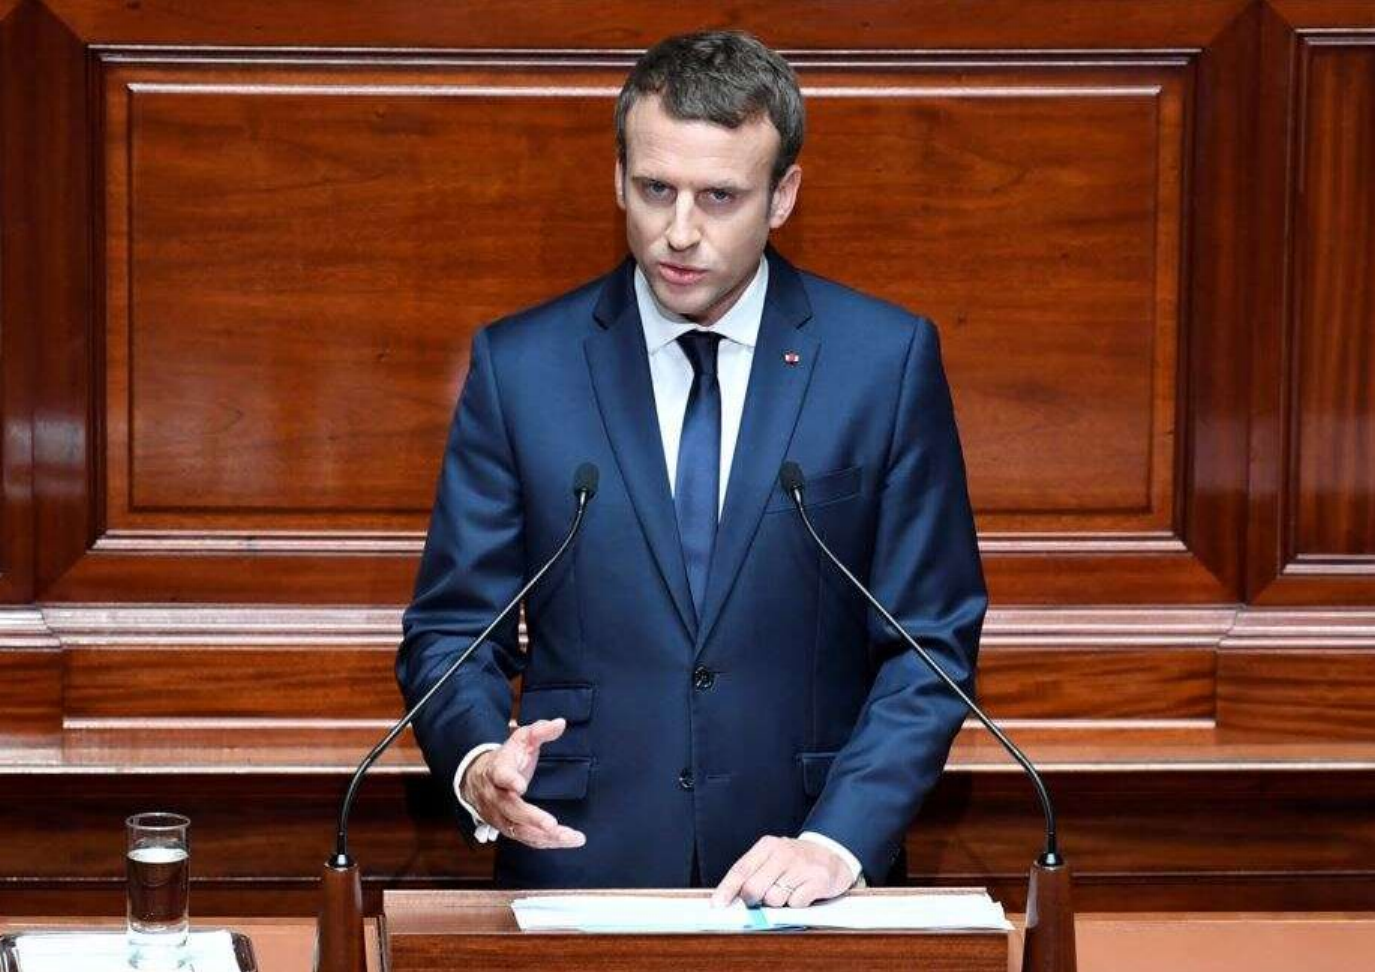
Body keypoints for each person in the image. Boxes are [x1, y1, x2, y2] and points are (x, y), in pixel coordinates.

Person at [396, 29, 986, 908]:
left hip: (808, 875)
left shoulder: (882, 362)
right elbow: (452, 632)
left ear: (781, 196)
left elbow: (927, 646)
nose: (679, 232)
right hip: (579, 869)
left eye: (718, 197)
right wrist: (479, 760)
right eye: (654, 190)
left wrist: (838, 840)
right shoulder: (521, 368)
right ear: (617, 180)